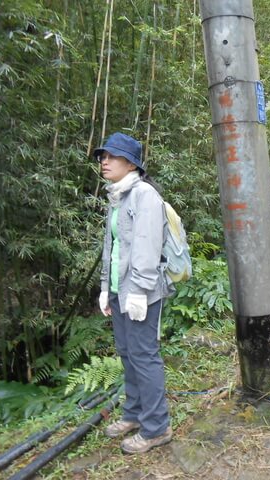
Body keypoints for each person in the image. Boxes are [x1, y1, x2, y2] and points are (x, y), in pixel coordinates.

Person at [95, 132, 174, 454]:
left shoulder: (144, 195)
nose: (104, 162)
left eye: (112, 157)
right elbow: (111, 248)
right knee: (128, 354)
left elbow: (146, 246)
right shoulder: (118, 196)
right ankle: (134, 414)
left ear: (131, 163)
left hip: (141, 292)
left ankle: (157, 427)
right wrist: (104, 288)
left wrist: (139, 291)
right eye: (102, 156)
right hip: (119, 291)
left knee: (144, 357)